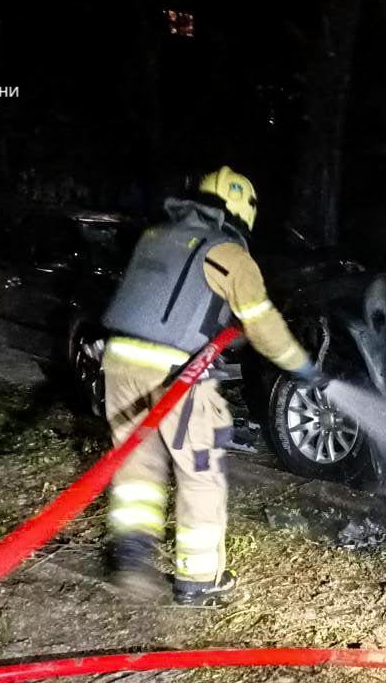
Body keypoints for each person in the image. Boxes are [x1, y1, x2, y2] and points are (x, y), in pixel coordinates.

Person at [100, 165, 321, 605]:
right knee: (201, 473)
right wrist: (303, 366)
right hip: (176, 377)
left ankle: (130, 556)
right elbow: (264, 326)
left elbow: (172, 303)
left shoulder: (156, 235)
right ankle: (200, 579)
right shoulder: (227, 253)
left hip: (119, 364)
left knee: (136, 466)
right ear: (243, 211)